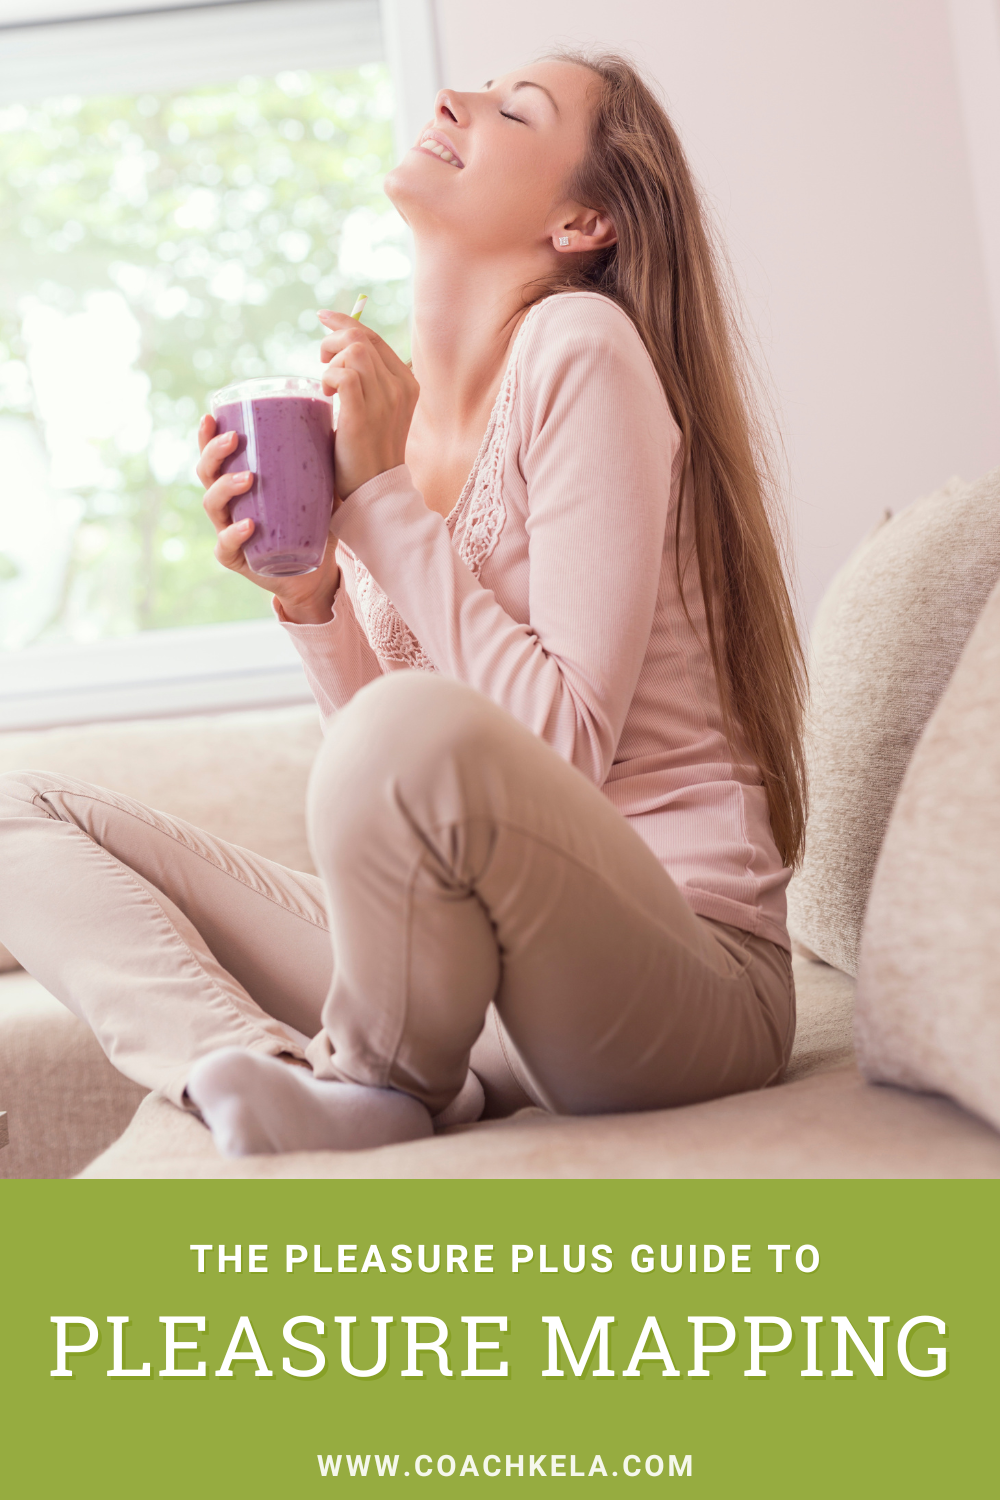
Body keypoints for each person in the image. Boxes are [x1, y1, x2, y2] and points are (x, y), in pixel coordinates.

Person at [0, 52, 806, 1158]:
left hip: (680, 978)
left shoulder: (581, 346)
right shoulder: (401, 428)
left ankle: (378, 1078)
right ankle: (274, 1075)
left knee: (403, 728)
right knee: (15, 806)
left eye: (515, 108)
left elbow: (557, 747)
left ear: (581, 222)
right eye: (472, 87)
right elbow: (391, 792)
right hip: (478, 969)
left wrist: (376, 499)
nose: (454, 101)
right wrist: (313, 597)